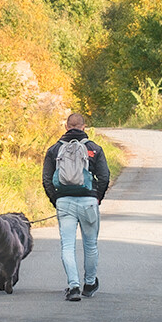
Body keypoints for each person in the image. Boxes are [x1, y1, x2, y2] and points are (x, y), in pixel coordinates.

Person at [42, 112, 110, 301]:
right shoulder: (94, 149)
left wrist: (55, 199)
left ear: (66, 127)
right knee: (90, 245)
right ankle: (89, 284)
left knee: (67, 246)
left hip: (64, 202)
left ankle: (73, 287)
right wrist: (98, 197)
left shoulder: (54, 150)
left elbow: (46, 179)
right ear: (83, 126)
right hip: (88, 202)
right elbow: (104, 177)